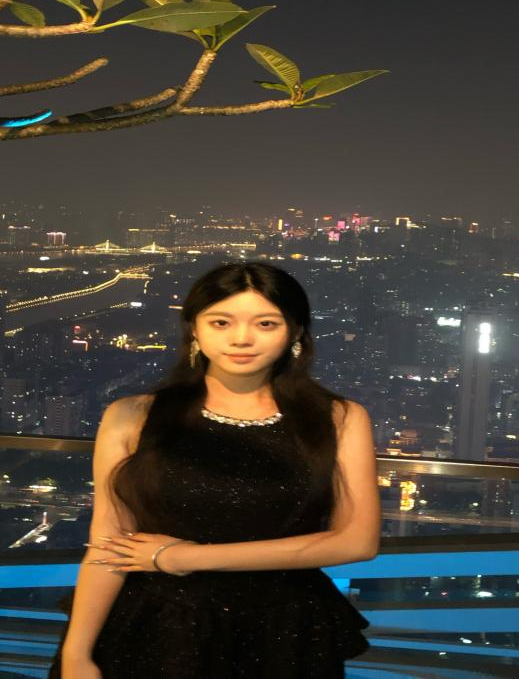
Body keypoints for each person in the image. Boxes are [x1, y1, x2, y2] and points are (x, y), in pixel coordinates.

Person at [49, 262, 381, 679]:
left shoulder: (338, 418)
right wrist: (77, 654)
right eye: (221, 322)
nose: (241, 338)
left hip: (282, 630)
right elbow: (107, 546)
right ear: (194, 329)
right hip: (154, 627)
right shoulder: (133, 416)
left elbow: (357, 542)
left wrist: (183, 557)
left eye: (265, 323)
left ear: (296, 332)